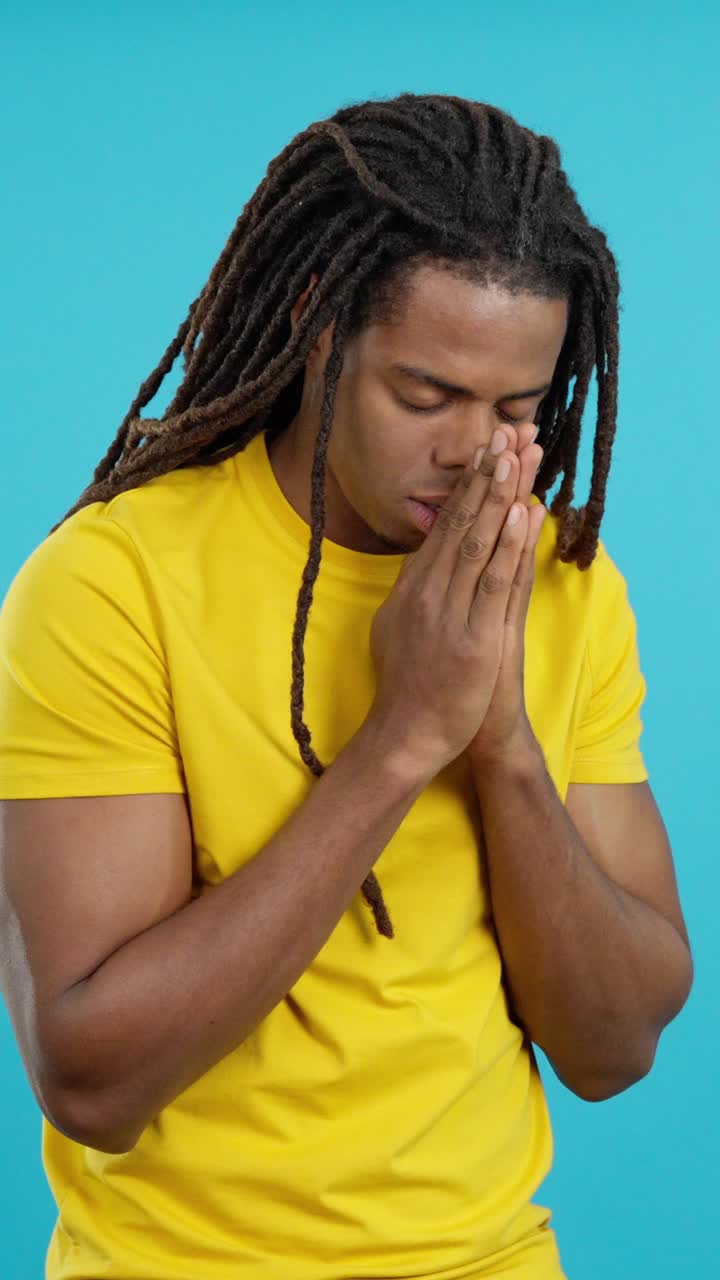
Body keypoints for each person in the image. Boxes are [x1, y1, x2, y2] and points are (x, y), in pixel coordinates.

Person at [0, 92, 692, 1280]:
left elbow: (614, 1045)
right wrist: (403, 736)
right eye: (425, 395)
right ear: (319, 324)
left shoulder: (568, 586)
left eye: (516, 410)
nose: (475, 450)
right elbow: (93, 1077)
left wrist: (504, 743)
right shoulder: (112, 586)